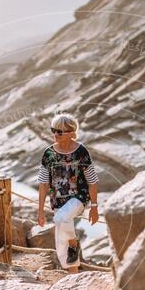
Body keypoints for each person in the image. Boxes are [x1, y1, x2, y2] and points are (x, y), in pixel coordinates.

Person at [36, 113, 99, 273]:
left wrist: (94, 207)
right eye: (54, 130)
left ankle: (73, 243)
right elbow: (43, 184)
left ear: (71, 133)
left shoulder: (81, 152)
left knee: (62, 218)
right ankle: (73, 279)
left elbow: (92, 181)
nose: (55, 134)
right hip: (57, 201)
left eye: (60, 131)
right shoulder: (48, 154)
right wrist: (40, 210)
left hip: (78, 198)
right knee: (61, 247)